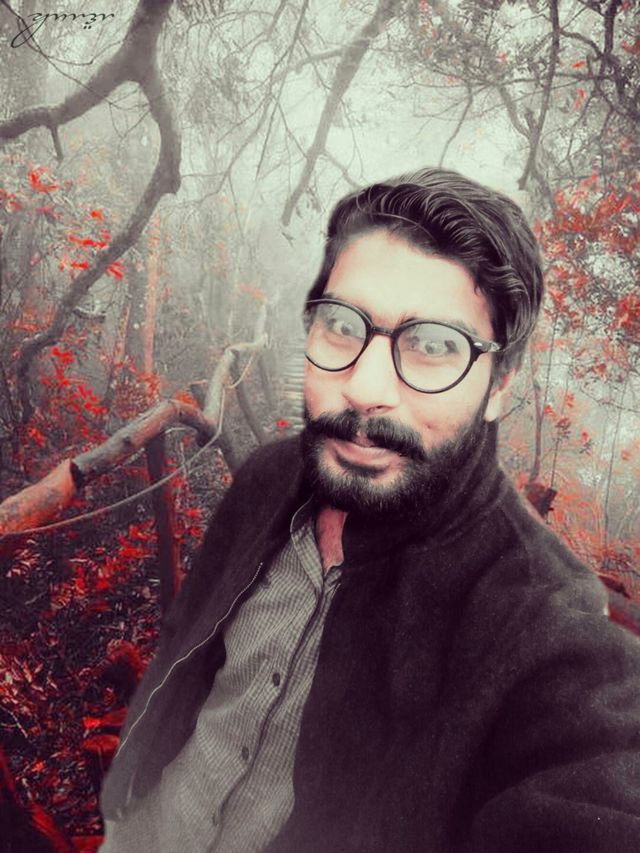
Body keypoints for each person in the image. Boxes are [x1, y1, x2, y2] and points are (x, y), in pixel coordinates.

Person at [100, 169, 640, 852]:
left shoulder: (541, 624)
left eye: (434, 345)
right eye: (340, 325)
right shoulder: (269, 478)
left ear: (501, 383)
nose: (363, 387)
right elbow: (188, 639)